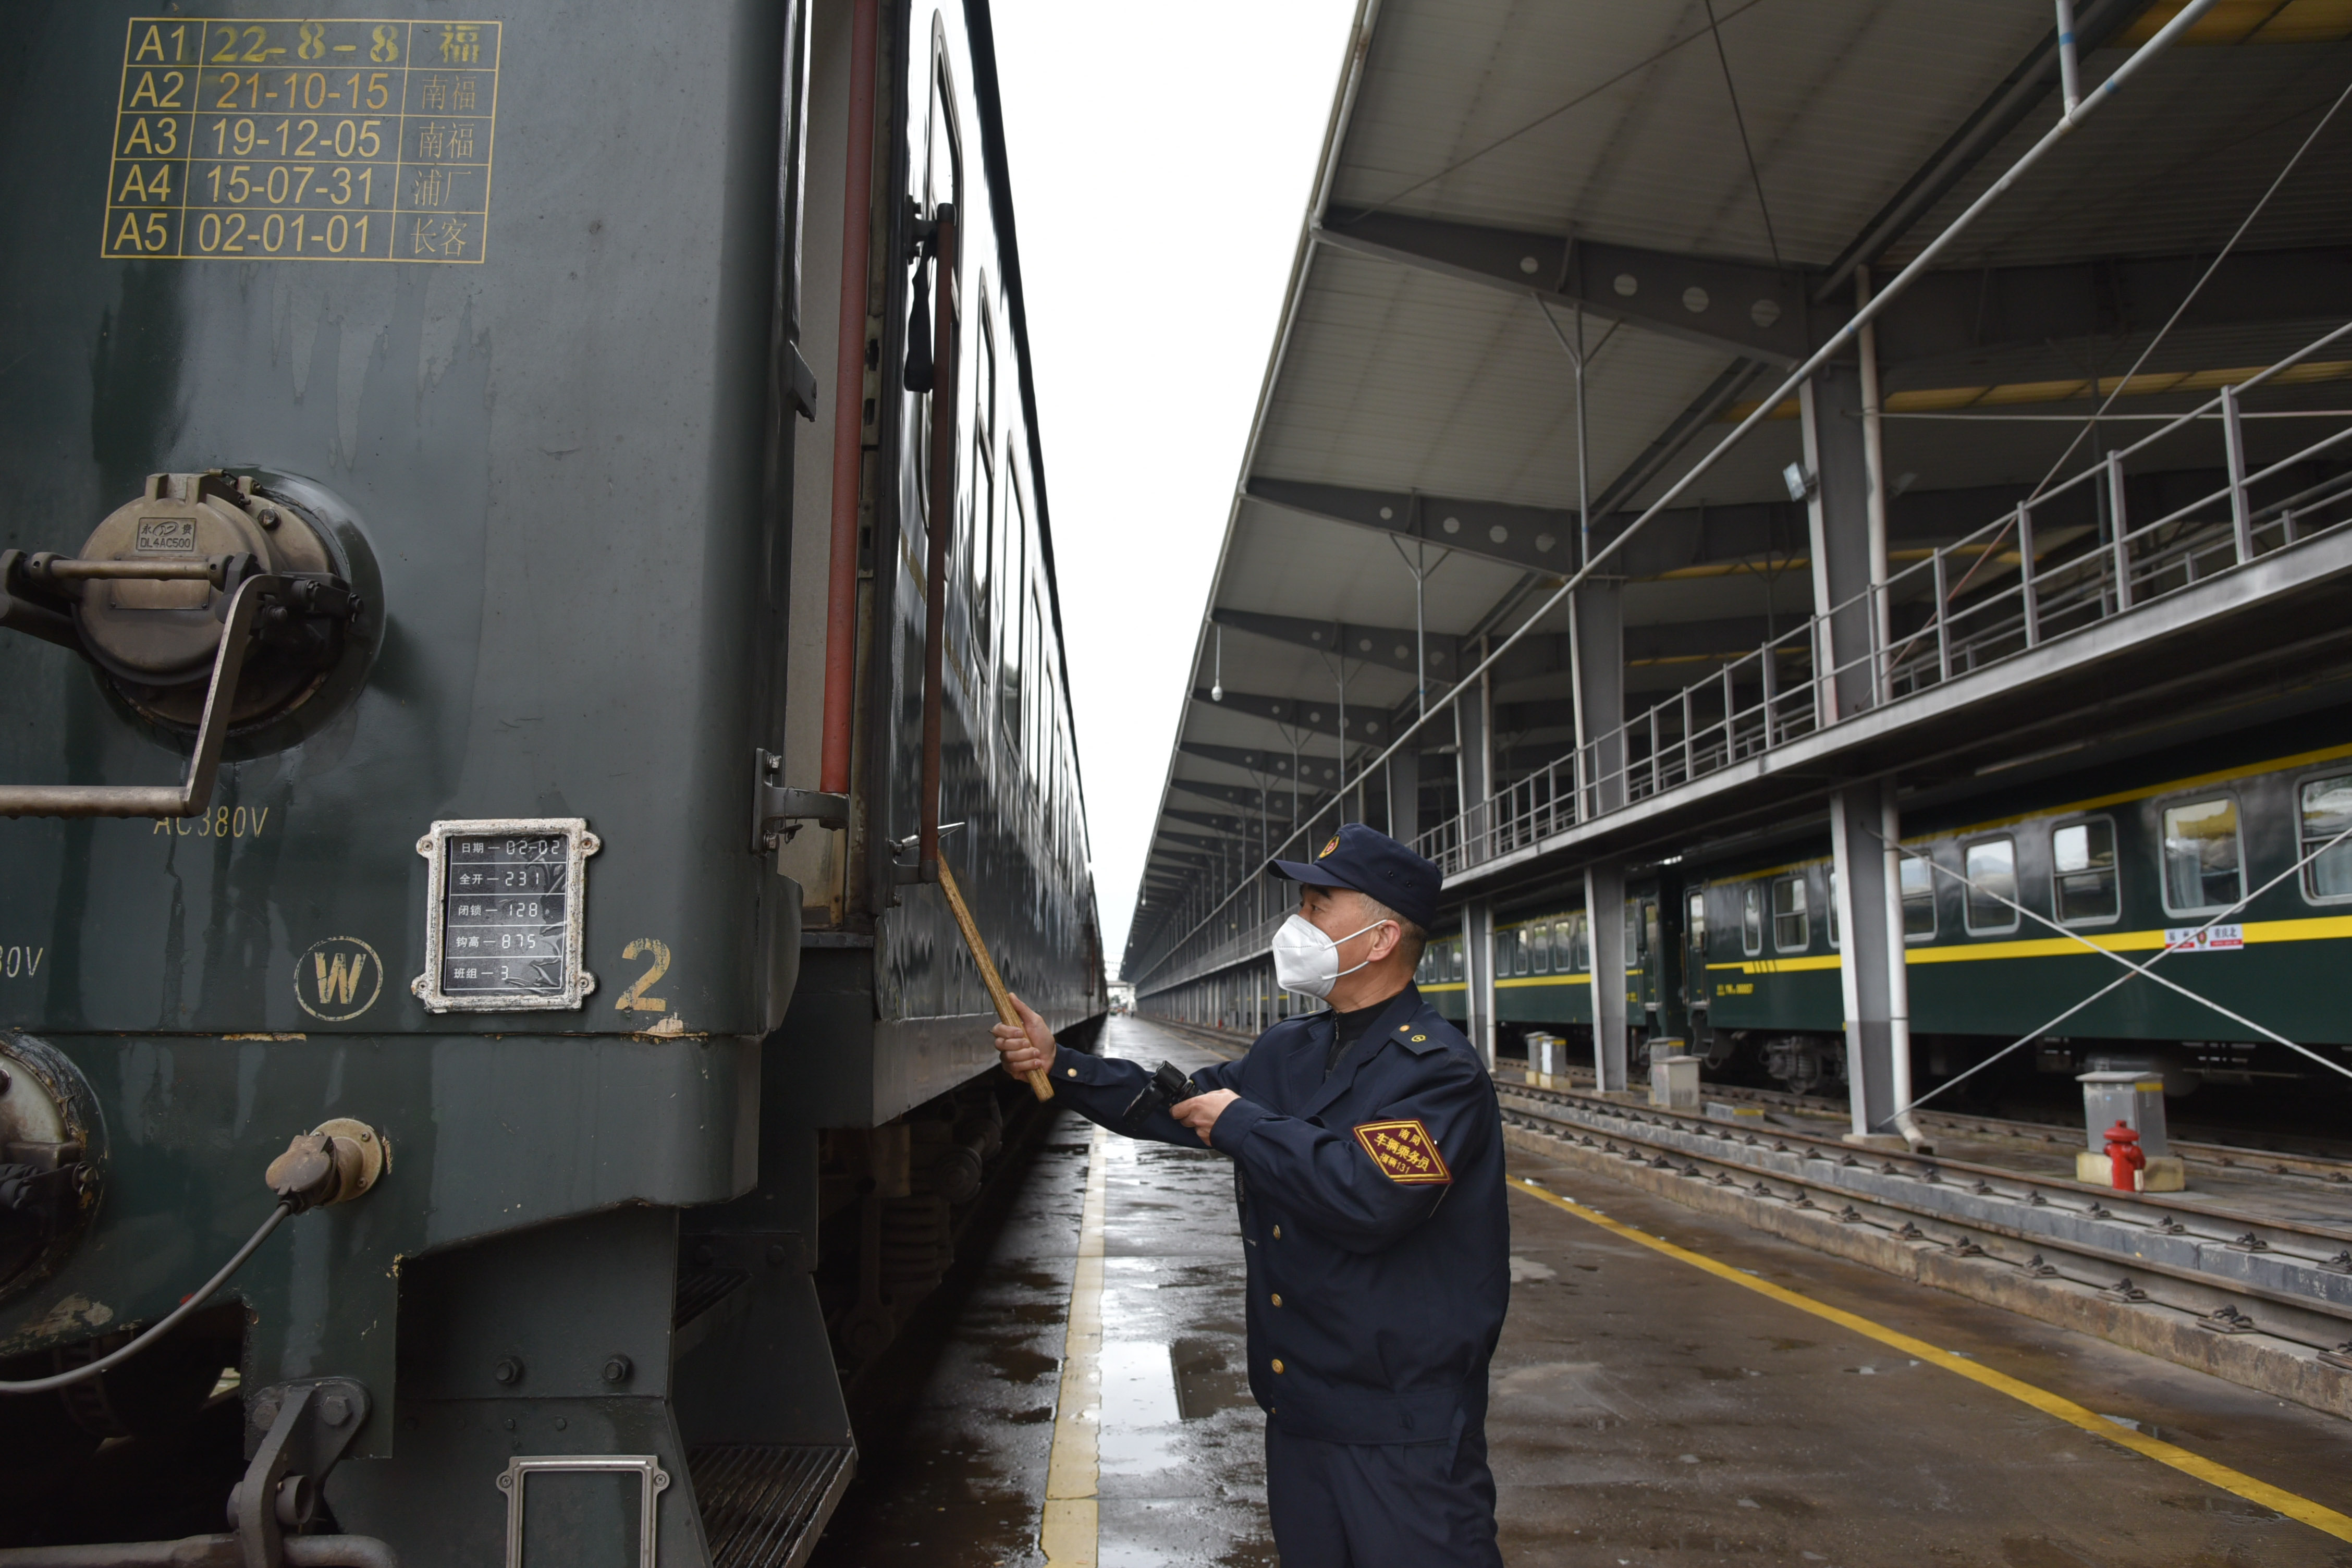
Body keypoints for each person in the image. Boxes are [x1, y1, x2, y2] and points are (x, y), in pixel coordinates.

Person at [993, 822, 1509, 1568]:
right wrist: (1060, 1063)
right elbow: (1170, 1105)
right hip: (1298, 1414)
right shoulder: (1290, 1050)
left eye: (1319, 904)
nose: (1296, 924)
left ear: (1381, 938)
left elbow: (1368, 1198)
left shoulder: (1438, 1076)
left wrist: (1244, 1124)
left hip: (1403, 1433)